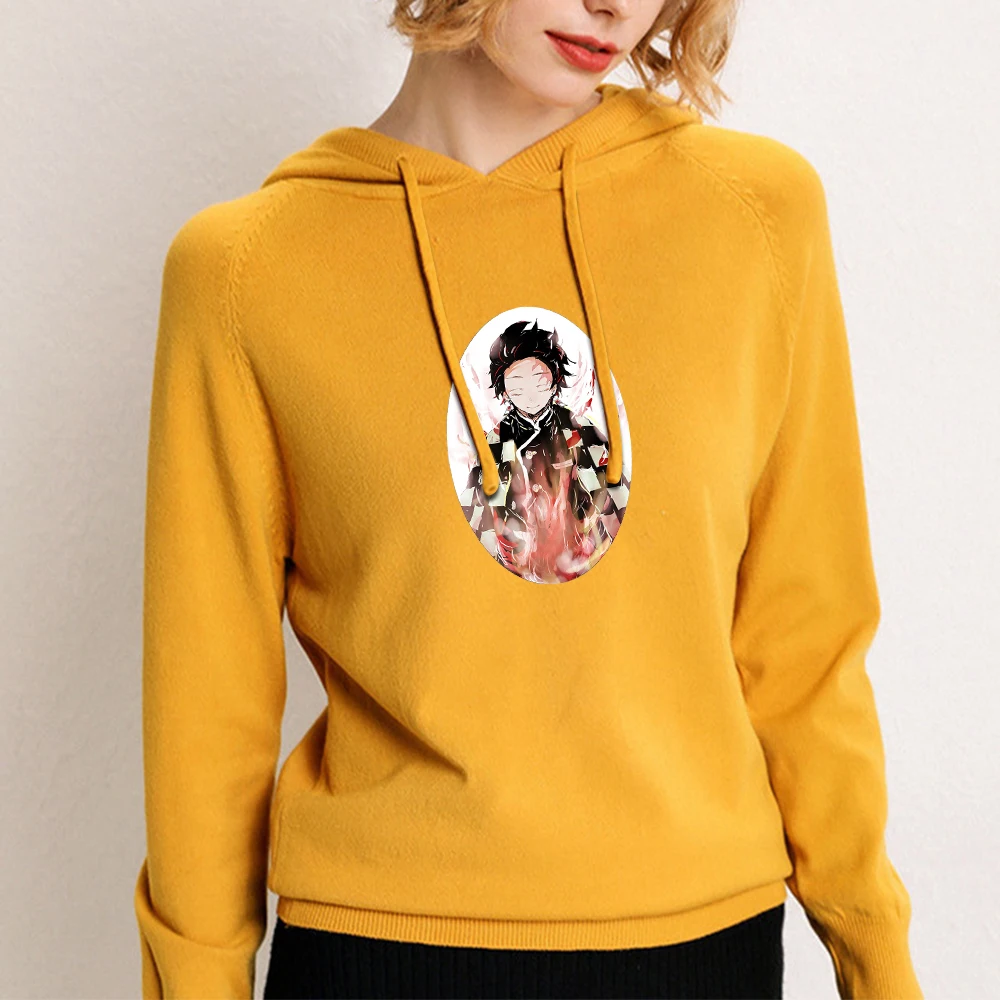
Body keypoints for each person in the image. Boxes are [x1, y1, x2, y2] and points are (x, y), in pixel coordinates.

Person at [133, 1, 923, 998]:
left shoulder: (755, 215)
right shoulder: (246, 272)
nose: (617, 6)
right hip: (378, 949)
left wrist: (875, 955)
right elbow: (205, 707)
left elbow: (807, 640)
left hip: (698, 941)